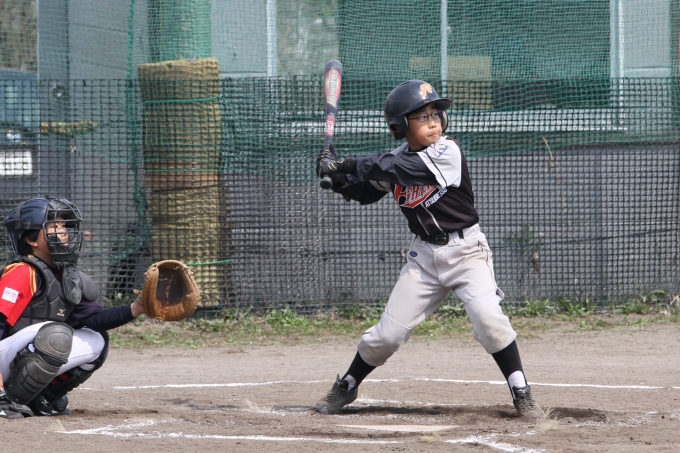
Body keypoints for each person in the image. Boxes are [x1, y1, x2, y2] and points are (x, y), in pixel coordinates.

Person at [313, 80, 544, 418]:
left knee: (489, 320)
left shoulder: (447, 151)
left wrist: (345, 163)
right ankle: (347, 385)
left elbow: (394, 169)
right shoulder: (394, 160)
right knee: (385, 337)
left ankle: (521, 391)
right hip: (423, 260)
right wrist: (336, 179)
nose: (434, 121)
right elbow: (366, 190)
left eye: (436, 114)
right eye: (422, 117)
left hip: (467, 253)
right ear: (400, 126)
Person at [0, 197, 145, 419]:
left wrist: (139, 307)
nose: (64, 231)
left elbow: (95, 318)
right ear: (31, 239)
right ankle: (6, 400)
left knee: (97, 339)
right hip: (4, 357)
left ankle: (40, 397)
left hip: (21, 356)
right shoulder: (22, 271)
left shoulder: (65, 275)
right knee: (55, 335)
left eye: (64, 225)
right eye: (54, 226)